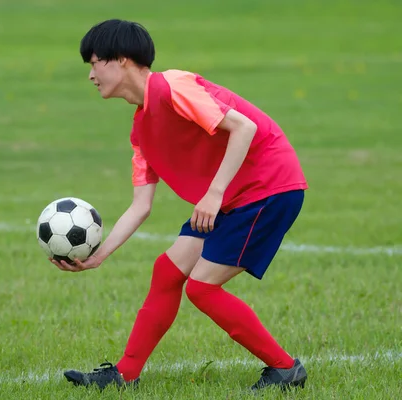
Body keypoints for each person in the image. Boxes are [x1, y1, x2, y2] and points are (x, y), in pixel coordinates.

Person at [50, 18, 309, 392]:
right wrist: (97, 256)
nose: (91, 75)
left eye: (94, 63)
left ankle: (285, 369)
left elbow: (245, 128)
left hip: (268, 186)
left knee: (202, 288)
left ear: (122, 59)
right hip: (232, 196)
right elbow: (141, 206)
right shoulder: (140, 130)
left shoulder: (174, 87)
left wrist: (214, 193)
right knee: (167, 271)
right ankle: (125, 375)